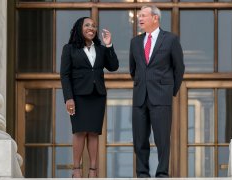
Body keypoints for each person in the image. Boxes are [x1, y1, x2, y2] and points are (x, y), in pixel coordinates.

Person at [129, 5, 185, 178]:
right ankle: (142, 173)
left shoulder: (170, 40)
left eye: (144, 15)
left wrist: (169, 91)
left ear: (155, 18)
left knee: (162, 140)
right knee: (139, 140)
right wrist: (141, 85)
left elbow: (179, 69)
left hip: (161, 97)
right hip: (140, 98)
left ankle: (162, 173)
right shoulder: (135, 42)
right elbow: (133, 69)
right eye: (139, 16)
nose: (140, 18)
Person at [60, 17, 119, 178]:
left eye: (93, 26)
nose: (91, 28)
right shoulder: (69, 49)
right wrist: (68, 98)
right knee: (79, 131)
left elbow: (113, 66)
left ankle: (93, 171)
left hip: (97, 95)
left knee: (93, 132)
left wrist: (108, 45)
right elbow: (64, 76)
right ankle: (77, 170)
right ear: (80, 28)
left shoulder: (100, 48)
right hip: (78, 96)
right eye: (87, 25)